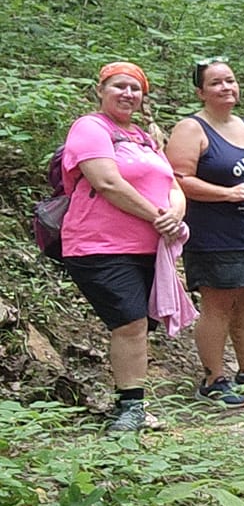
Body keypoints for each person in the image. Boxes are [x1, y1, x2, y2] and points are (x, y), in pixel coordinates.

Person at [61, 62, 188, 432]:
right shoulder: (91, 127)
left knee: (136, 324)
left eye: (135, 88)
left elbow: (173, 185)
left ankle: (134, 405)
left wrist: (174, 215)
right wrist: (157, 216)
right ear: (100, 90)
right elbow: (107, 182)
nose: (127, 94)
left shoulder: (146, 137)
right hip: (97, 245)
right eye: (119, 86)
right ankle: (129, 409)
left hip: (147, 247)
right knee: (129, 319)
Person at [167, 58, 244, 406]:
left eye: (230, 81)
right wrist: (227, 193)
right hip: (216, 234)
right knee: (218, 305)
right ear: (200, 91)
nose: (226, 87)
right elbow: (179, 179)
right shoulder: (192, 129)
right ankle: (212, 378)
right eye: (216, 82)